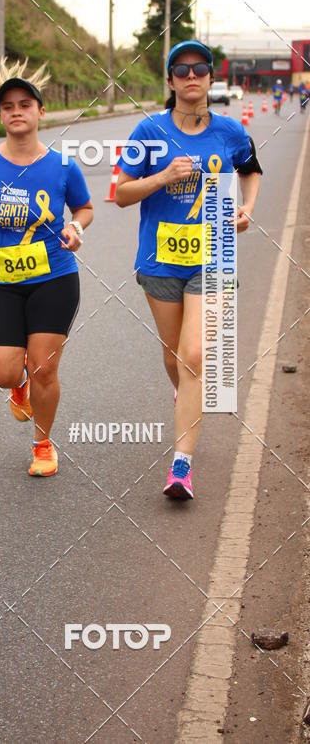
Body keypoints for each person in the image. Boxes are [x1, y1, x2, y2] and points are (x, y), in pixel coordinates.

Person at [114, 40, 262, 500]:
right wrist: (162, 177)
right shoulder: (148, 131)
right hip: (160, 260)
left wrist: (248, 207)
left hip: (213, 255)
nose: (191, 76)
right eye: (181, 69)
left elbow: (251, 168)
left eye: (200, 69)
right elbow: (120, 193)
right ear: (170, 79)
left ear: (211, 77)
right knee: (173, 355)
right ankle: (187, 397)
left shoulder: (230, 132)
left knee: (193, 356)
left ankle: (182, 466)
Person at [0, 56, 93, 477]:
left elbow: (84, 208)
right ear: (0, 114)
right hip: (1, 280)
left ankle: (43, 444)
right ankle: (18, 387)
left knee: (44, 367)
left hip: (55, 277)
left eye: (24, 104)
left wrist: (76, 226)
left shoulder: (63, 166)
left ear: (40, 112)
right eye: (8, 106)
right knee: (2, 371)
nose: (16, 112)